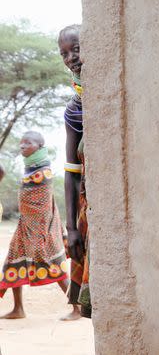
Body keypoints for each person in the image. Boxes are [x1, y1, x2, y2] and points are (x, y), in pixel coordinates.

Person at [0, 131, 78, 319]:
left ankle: (77, 308)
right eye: (21, 143)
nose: (22, 146)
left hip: (41, 230)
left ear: (40, 146)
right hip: (25, 226)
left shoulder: (44, 172)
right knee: (12, 264)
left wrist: (41, 232)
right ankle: (18, 309)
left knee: (55, 267)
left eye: (28, 143)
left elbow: (42, 206)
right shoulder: (31, 170)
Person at [59, 24, 91, 318]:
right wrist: (71, 228)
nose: (71, 58)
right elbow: (71, 171)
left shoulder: (105, 99)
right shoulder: (74, 111)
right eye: (64, 53)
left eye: (76, 49)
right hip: (89, 210)